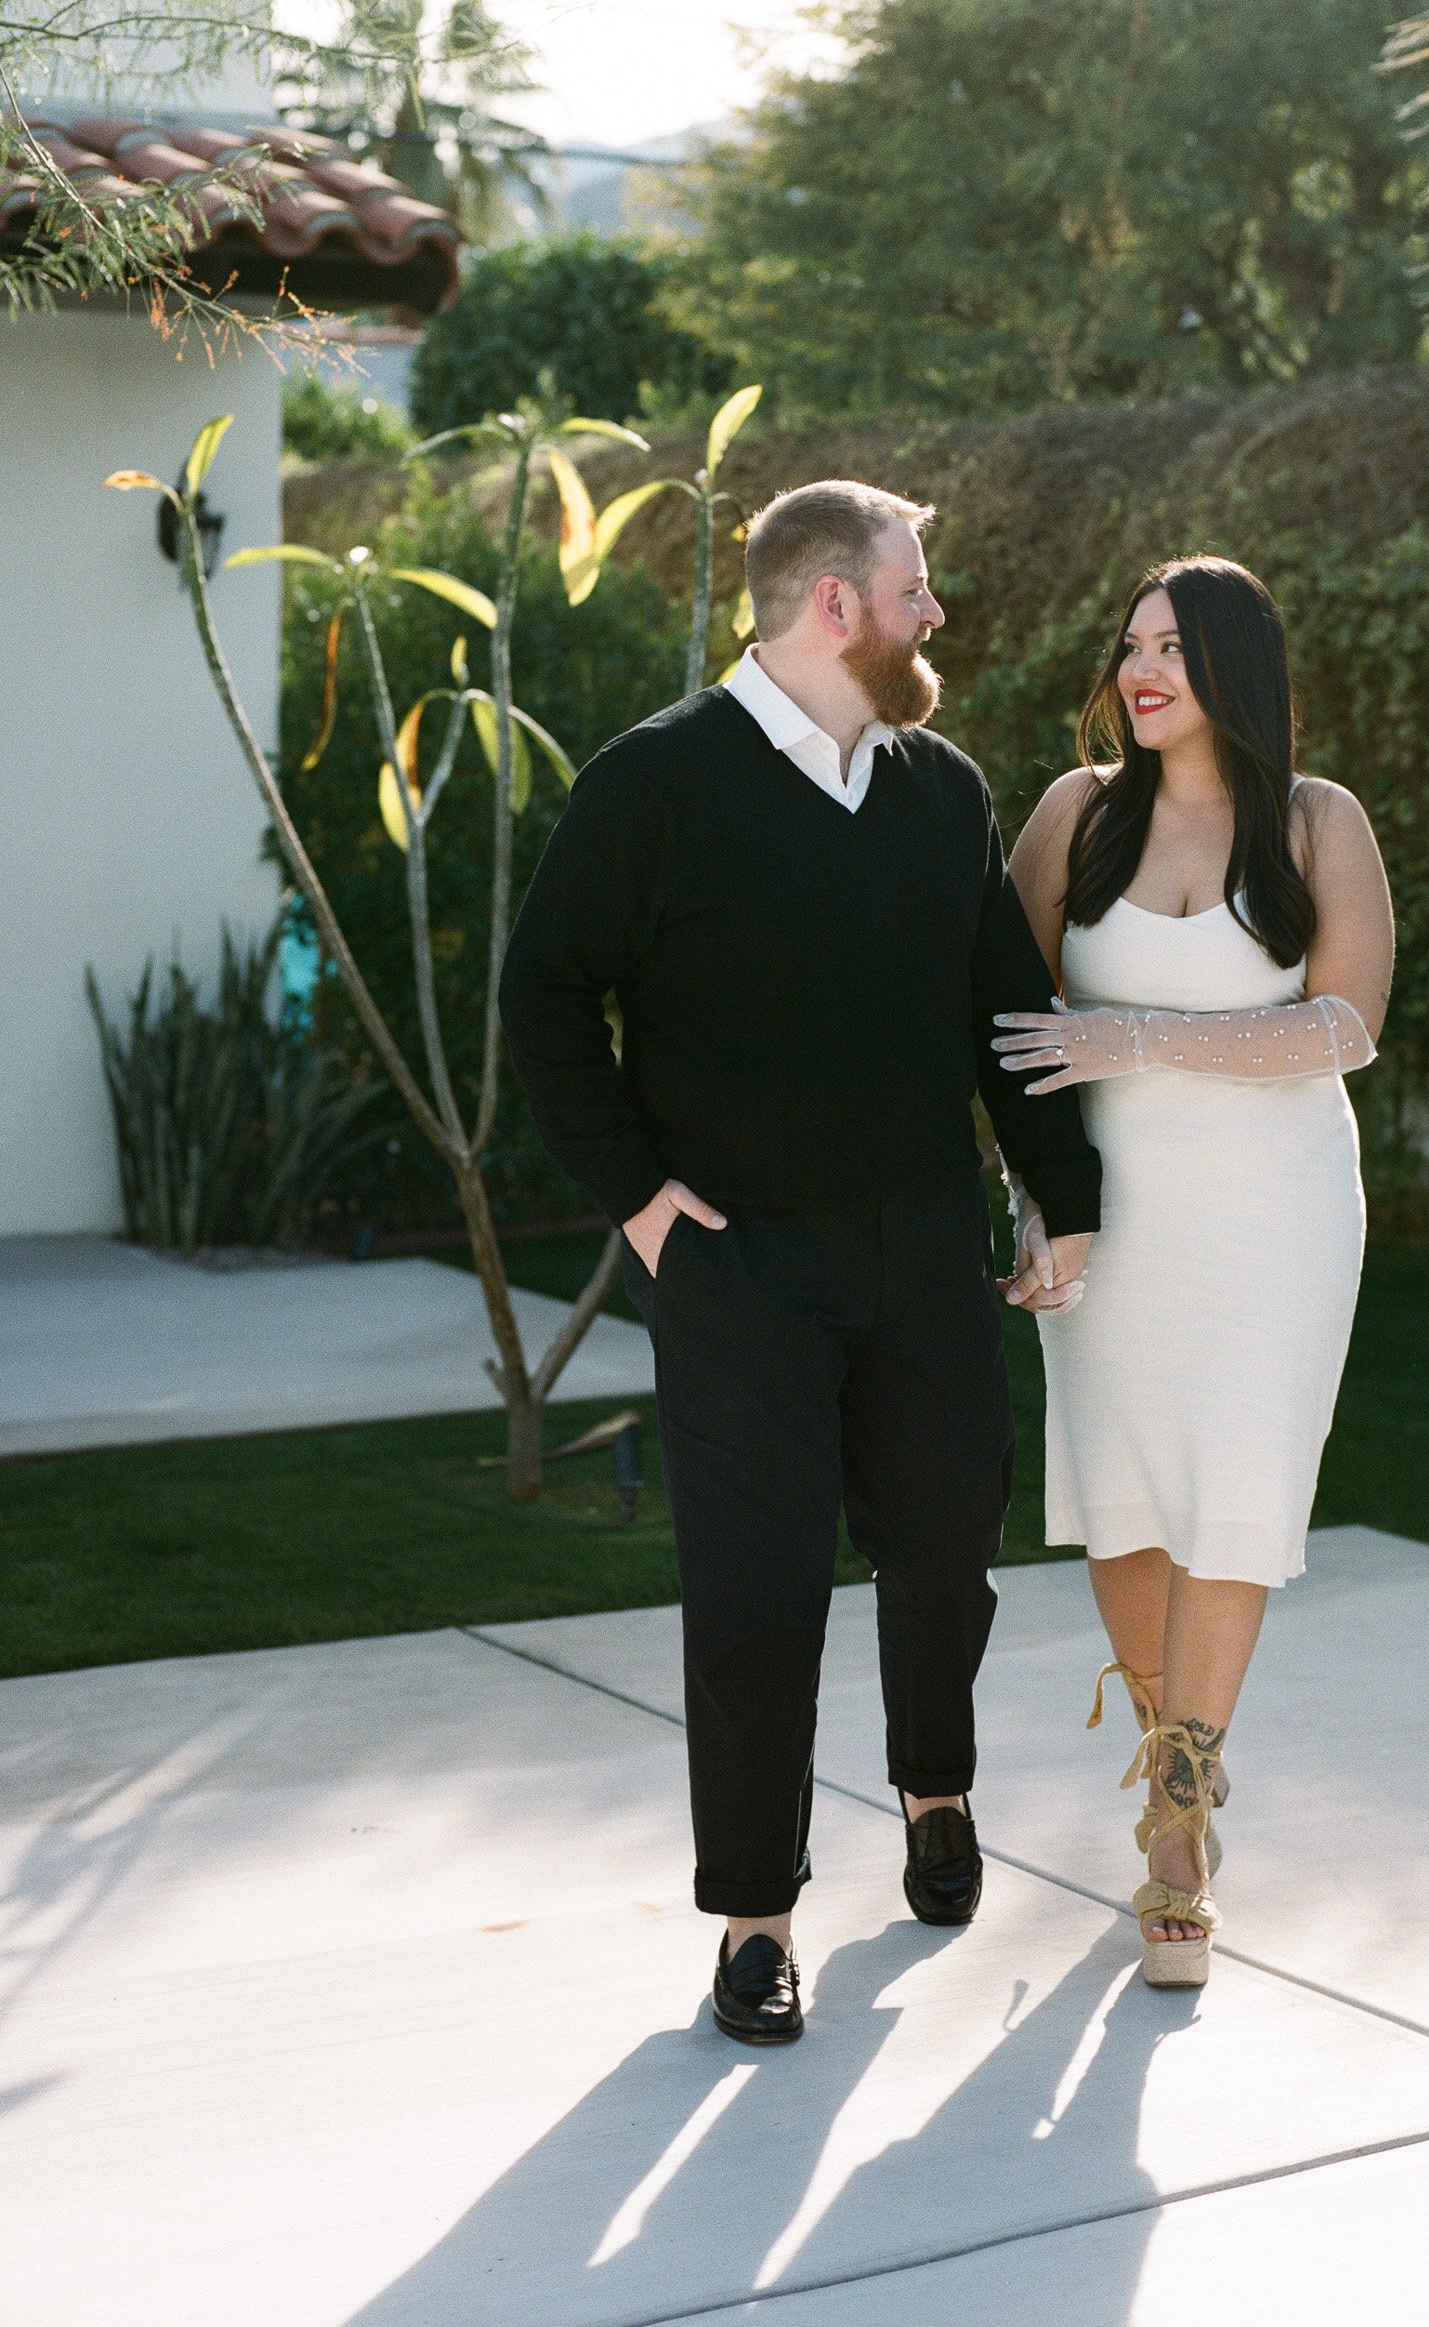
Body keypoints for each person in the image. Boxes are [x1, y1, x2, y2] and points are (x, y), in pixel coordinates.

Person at [498, 480, 1100, 2046]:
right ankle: (755, 1924)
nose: (936, 616)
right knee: (759, 1595)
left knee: (950, 1546)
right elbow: (548, 995)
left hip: (921, 1248)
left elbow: (1001, 1006)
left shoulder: (942, 787)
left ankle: (936, 1794)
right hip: (739, 1264)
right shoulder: (658, 784)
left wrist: (1061, 1192)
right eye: (916, 590)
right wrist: (636, 1196)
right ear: (833, 605)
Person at [995, 555, 1393, 1989]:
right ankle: (1178, 1766)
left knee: (1234, 1490)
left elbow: (1346, 1025)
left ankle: (1176, 1827)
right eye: (1129, 644)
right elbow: (1008, 1026)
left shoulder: (1316, 821)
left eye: (1171, 646)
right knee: (1123, 1499)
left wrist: (1139, 1036)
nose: (1139, 669)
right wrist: (1038, 1207)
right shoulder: (1073, 816)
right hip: (1110, 1223)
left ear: (1236, 666)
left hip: (1273, 1222)